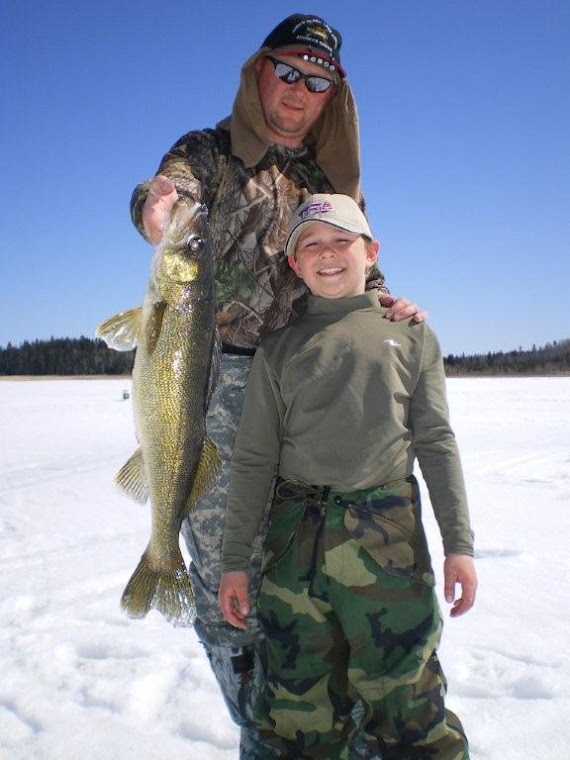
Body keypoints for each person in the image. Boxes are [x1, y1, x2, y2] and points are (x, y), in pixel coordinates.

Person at [130, 14, 426, 758]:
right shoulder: (213, 153)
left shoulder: (328, 183)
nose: (299, 90)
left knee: (313, 574)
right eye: (287, 71)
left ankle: (330, 724)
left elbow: (362, 268)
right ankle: (264, 733)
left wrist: (391, 303)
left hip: (315, 391)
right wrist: (157, 208)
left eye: (317, 80)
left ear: (334, 96)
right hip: (219, 393)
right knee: (232, 584)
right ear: (258, 72)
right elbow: (163, 193)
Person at [219, 194, 478, 759]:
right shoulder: (279, 346)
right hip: (295, 547)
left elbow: (436, 443)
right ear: (294, 263)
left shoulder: (410, 334)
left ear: (371, 250)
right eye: (310, 244)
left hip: (387, 545)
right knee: (297, 708)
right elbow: (254, 459)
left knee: (407, 699)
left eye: (343, 241)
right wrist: (235, 559)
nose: (328, 254)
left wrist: (459, 545)